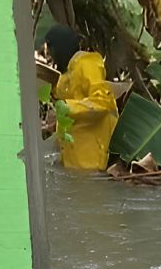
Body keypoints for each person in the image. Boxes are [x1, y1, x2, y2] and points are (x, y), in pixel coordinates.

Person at [42, 25, 119, 171]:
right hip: (74, 155)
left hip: (91, 154)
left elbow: (103, 102)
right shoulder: (66, 74)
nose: (50, 56)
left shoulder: (88, 65)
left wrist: (67, 106)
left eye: (50, 50)